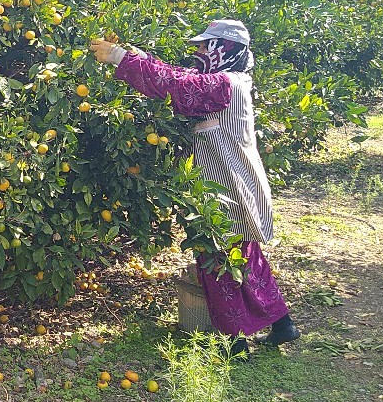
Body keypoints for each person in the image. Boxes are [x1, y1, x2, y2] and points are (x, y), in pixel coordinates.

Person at [91, 19, 300, 357]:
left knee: (214, 256)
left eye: (207, 46)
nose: (200, 52)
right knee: (244, 255)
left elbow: (179, 86)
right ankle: (282, 323)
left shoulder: (224, 85)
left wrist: (120, 58)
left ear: (226, 49)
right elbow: (181, 77)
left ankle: (235, 344)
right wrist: (137, 56)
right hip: (233, 182)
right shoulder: (231, 80)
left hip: (224, 186)